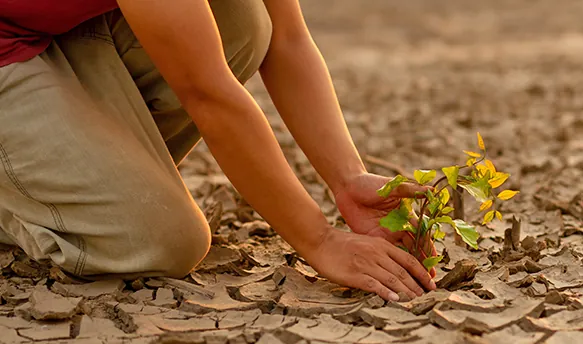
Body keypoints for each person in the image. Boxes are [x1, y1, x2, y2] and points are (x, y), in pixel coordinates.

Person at [0, 0, 436, 301]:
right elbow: (208, 94)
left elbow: (287, 39)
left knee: (243, 19)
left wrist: (347, 179)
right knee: (164, 239)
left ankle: (67, 173)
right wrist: (320, 241)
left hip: (47, 30)